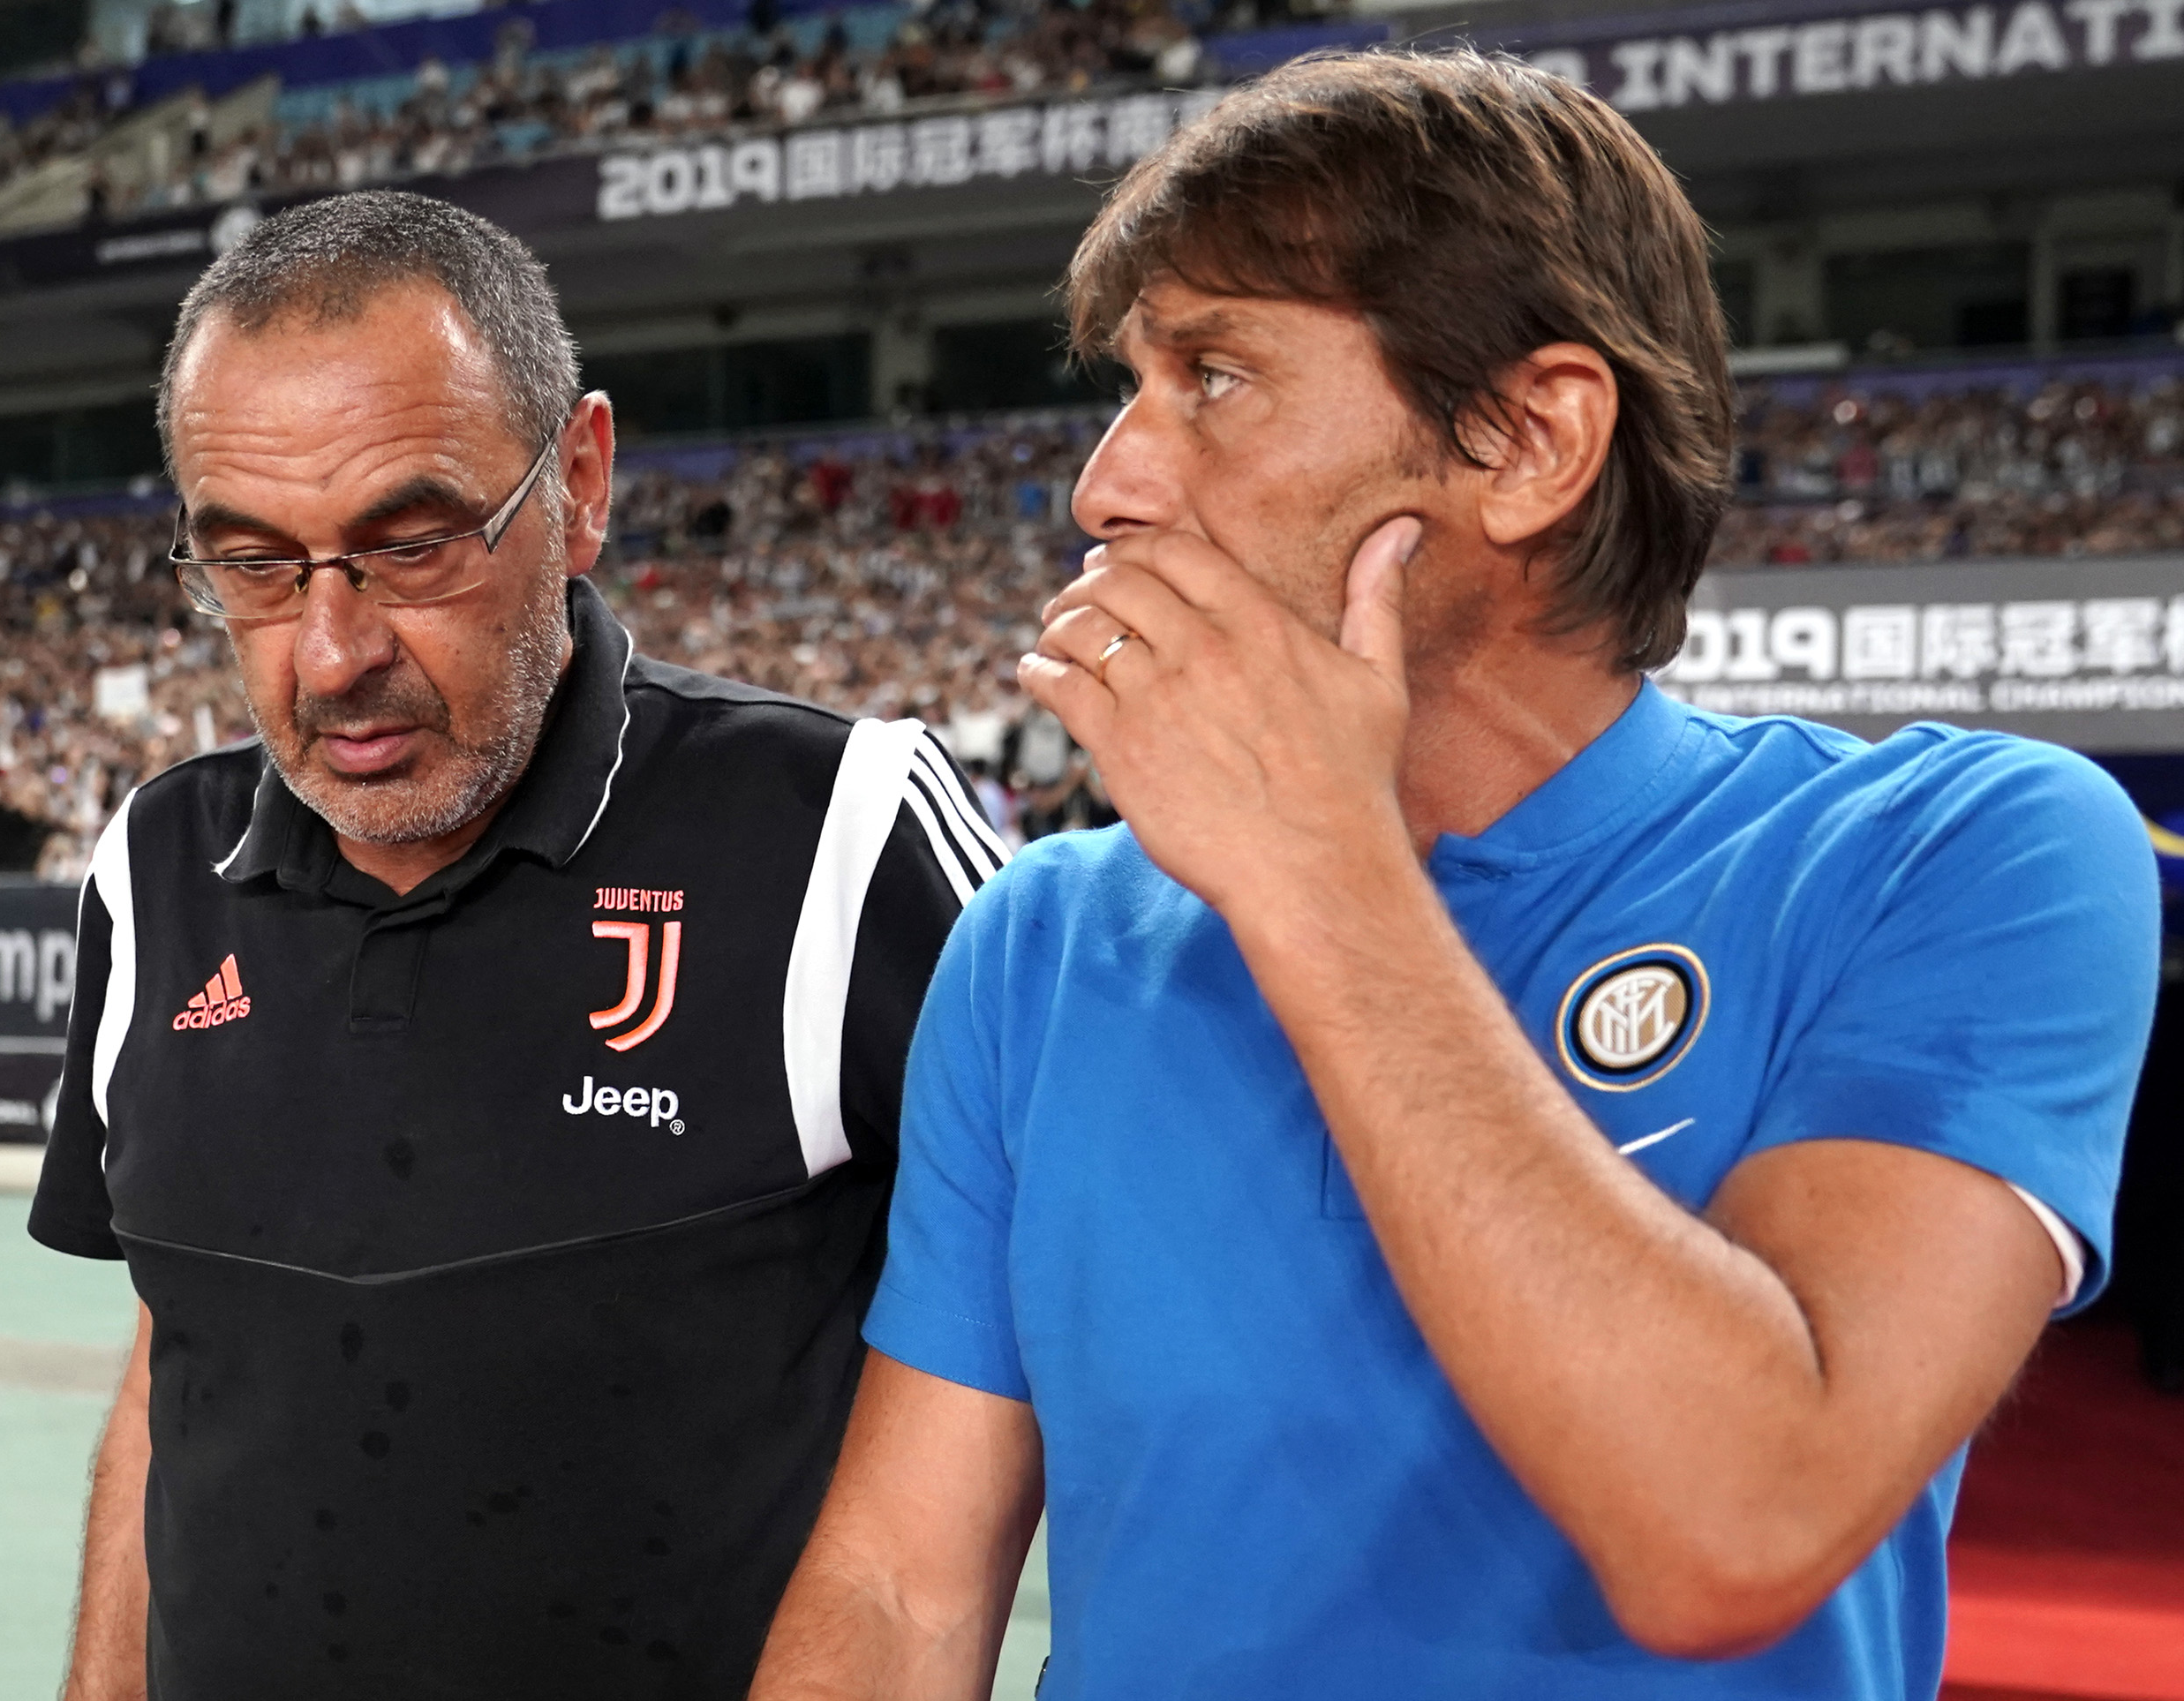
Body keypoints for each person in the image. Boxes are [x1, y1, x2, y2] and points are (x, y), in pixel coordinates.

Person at [753, 51, 2156, 1701]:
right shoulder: (1047, 941)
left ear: (1524, 441)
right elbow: (902, 1591)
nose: (1106, 483)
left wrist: (1319, 879)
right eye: (1129, 385)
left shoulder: (1957, 848)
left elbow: (1739, 1526)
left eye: (1215, 375)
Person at [28, 190, 1000, 1700]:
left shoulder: (844, 831)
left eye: (411, 546)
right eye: (256, 567)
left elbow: (1079, 1381)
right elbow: (184, 1358)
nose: (332, 653)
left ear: (585, 483)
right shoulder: (156, 869)